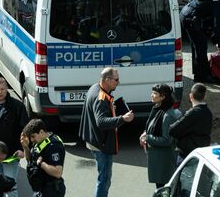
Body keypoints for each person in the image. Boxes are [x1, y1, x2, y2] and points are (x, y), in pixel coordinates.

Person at [78, 67, 135, 197]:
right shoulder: (101, 97)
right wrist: (123, 119)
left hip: (95, 140)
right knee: (104, 180)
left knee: (103, 179)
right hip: (101, 144)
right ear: (107, 80)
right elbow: (101, 122)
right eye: (116, 79)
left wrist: (113, 110)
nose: (118, 82)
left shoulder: (94, 87)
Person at [140, 84, 181, 189]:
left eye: (155, 93)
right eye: (152, 92)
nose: (152, 95)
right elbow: (151, 126)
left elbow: (167, 140)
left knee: (162, 189)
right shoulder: (157, 109)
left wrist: (148, 138)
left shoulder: (168, 116)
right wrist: (145, 133)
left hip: (164, 162)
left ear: (163, 97)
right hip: (158, 159)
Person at [168, 83, 212, 163]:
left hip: (188, 155)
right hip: (202, 152)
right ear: (205, 96)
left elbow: (173, 130)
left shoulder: (192, 113)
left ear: (191, 96)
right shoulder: (208, 112)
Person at [21, 119, 66, 197]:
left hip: (51, 190)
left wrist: (42, 164)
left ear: (41, 132)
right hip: (41, 188)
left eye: (33, 136)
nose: (31, 139)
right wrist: (25, 147)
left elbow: (57, 172)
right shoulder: (39, 142)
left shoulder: (54, 146)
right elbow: (30, 160)